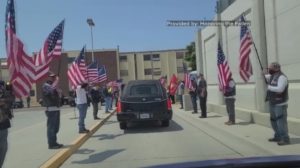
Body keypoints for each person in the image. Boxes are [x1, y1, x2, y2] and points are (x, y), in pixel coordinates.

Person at [265, 62, 290, 145]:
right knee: (273, 121)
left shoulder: (282, 77)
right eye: (268, 68)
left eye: (270, 68)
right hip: (273, 102)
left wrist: (269, 87)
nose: (269, 70)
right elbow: (266, 77)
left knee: (281, 122)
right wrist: (264, 73)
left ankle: (285, 138)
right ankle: (278, 136)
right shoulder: (273, 76)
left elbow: (280, 89)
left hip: (280, 104)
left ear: (276, 68)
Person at [42, 74, 63, 149]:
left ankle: (54, 142)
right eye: (51, 77)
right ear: (48, 77)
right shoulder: (45, 86)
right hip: (51, 109)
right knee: (51, 128)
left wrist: (59, 93)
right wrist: (57, 81)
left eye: (54, 77)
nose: (53, 78)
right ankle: (51, 144)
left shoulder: (53, 87)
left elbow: (58, 97)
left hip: (56, 108)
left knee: (56, 128)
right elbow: (50, 90)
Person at [0, 81, 14, 167]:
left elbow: (11, 99)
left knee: (3, 148)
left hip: (2, 123)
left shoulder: (3, 85)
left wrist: (3, 101)